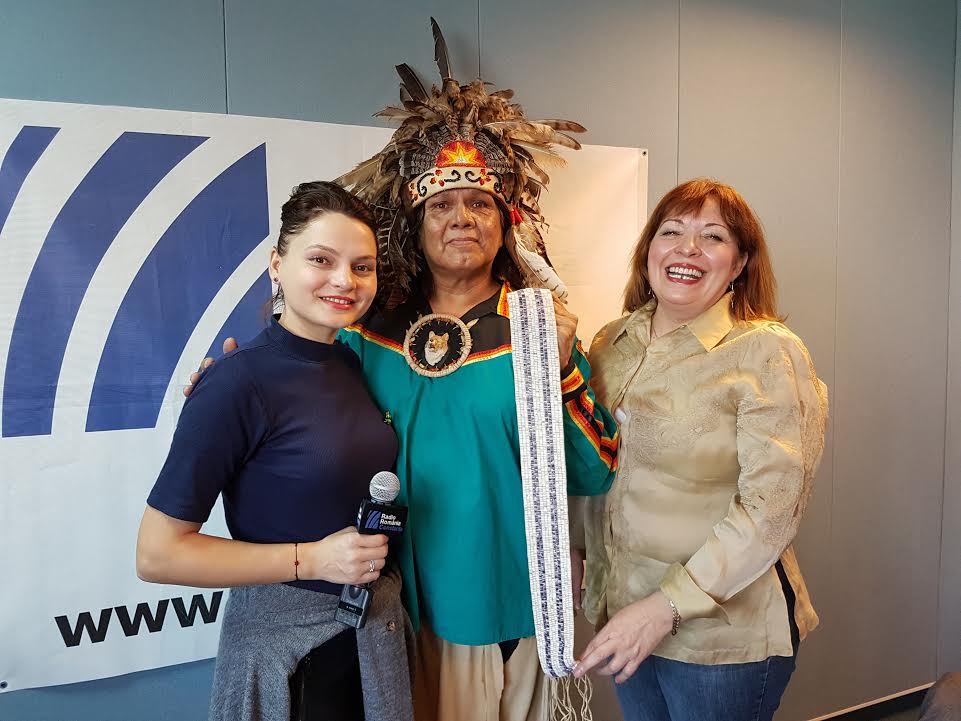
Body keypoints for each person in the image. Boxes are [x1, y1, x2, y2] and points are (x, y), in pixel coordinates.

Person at [189, 22, 618, 721]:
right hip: (381, 612)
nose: (461, 218)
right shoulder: (369, 329)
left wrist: (563, 366)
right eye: (440, 204)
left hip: (498, 605)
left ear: (505, 221)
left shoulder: (540, 328)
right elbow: (295, 387)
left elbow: (595, 470)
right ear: (414, 224)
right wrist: (228, 381)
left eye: (480, 203)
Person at [138, 181, 414, 721]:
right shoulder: (235, 381)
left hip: (369, 638)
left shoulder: (350, 361)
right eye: (322, 259)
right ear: (277, 265)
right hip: (289, 655)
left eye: (362, 266)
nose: (345, 280)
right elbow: (157, 554)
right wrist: (311, 559)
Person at [572, 179, 828, 721]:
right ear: (649, 250)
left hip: (721, 640)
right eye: (672, 232)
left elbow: (772, 513)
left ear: (739, 264)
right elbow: (597, 462)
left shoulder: (767, 353)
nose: (688, 249)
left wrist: (663, 609)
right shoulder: (609, 342)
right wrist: (577, 550)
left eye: (713, 237)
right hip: (623, 617)